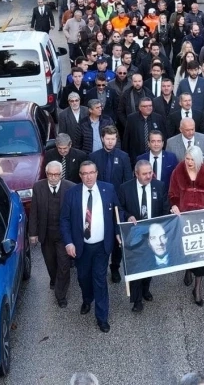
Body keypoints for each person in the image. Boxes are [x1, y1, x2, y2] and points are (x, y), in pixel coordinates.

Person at [60, 161, 121, 333]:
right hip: (81, 246)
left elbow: (118, 211)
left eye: (91, 172)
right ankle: (87, 299)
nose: (88, 176)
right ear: (80, 175)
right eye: (84, 173)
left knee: (100, 280)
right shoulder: (72, 194)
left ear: (97, 173)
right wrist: (69, 242)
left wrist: (118, 231)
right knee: (83, 278)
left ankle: (102, 317)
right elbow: (64, 220)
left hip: (102, 245)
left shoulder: (108, 189)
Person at [168, 146, 204, 306]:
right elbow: (172, 193)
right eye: (187, 159)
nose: (189, 162)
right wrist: (174, 205)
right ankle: (187, 268)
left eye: (192, 159)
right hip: (185, 217)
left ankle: (197, 289)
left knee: (201, 253)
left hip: (203, 218)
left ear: (199, 160)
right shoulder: (178, 170)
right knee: (187, 249)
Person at [119, 160, 169, 313]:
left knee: (149, 265)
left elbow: (164, 208)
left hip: (152, 234)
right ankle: (137, 300)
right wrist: (128, 217)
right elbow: (120, 208)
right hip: (134, 234)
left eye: (150, 173)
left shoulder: (159, 186)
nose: (148, 176)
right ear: (136, 174)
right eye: (144, 174)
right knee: (136, 266)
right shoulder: (125, 188)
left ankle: (146, 289)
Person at [89, 125, 132, 284]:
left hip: (116, 205)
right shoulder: (93, 157)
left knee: (117, 239)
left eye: (113, 139)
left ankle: (115, 266)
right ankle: (100, 265)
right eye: (108, 138)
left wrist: (124, 205)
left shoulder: (123, 157)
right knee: (100, 235)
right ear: (102, 138)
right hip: (99, 204)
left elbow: (127, 181)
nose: (110, 142)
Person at [29, 161, 75, 308]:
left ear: (61, 174)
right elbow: (34, 211)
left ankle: (60, 295)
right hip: (46, 233)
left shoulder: (71, 187)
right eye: (50, 174)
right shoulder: (38, 187)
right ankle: (54, 278)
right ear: (46, 174)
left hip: (63, 235)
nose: (54, 177)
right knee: (50, 262)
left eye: (57, 174)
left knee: (63, 264)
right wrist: (33, 233)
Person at [122, 97, 168, 165]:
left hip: (154, 156)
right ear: (140, 108)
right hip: (136, 158)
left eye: (150, 106)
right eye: (145, 106)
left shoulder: (158, 118)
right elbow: (126, 139)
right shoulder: (131, 119)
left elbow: (164, 137)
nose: (148, 108)